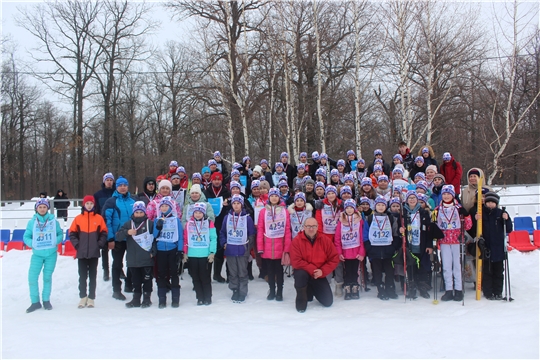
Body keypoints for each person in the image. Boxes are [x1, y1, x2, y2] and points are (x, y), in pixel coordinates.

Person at [290, 217, 339, 313]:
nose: (311, 229)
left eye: (313, 226)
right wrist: (312, 269)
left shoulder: (325, 240)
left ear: (317, 227)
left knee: (328, 302)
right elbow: (296, 261)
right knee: (300, 274)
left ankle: (311, 288)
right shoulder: (297, 241)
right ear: (304, 227)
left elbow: (334, 259)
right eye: (308, 226)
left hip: (319, 273)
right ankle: (301, 299)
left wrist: (322, 271)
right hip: (304, 272)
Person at [23, 198, 64, 313]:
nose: (42, 209)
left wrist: (56, 240)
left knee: (47, 278)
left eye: (44, 207)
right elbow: (26, 236)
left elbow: (60, 234)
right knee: (32, 277)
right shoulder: (32, 222)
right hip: (37, 254)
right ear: (36, 208)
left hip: (51, 254)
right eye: (40, 207)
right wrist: (32, 243)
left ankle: (46, 300)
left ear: (47, 208)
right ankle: (35, 302)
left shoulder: (53, 221)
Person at [102, 176, 138, 301]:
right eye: (120, 185)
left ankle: (129, 284)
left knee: (132, 262)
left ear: (128, 186)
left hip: (132, 237)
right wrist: (110, 238)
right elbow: (107, 221)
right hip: (118, 238)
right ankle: (116, 289)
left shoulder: (133, 200)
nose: (123, 187)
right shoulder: (111, 201)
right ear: (116, 187)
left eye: (125, 185)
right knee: (117, 264)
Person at [434, 185, 472, 302]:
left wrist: (466, 216)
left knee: (457, 266)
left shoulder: (458, 208)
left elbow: (468, 226)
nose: (446, 196)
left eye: (448, 194)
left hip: (457, 240)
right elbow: (434, 224)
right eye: (444, 194)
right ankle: (449, 290)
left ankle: (459, 289)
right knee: (446, 266)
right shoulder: (437, 209)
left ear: (453, 195)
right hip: (444, 241)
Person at [69, 195, 108, 308]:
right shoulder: (78, 219)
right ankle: (82, 297)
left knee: (93, 275)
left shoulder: (99, 218)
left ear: (94, 204)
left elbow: (104, 233)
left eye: (91, 203)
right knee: (82, 276)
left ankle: (91, 297)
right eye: (87, 204)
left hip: (94, 252)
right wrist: (77, 245)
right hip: (81, 253)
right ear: (84, 205)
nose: (89, 206)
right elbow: (72, 234)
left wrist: (99, 244)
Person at [116, 201, 156, 308]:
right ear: (133, 213)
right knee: (136, 281)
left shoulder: (149, 224)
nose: (138, 214)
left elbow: (156, 239)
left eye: (141, 212)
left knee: (147, 280)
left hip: (147, 258)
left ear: (144, 212)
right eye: (137, 212)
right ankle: (136, 299)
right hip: (133, 260)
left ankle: (147, 299)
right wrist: (126, 232)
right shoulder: (128, 224)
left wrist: (153, 252)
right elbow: (118, 237)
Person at [257, 188, 292, 301]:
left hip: (280, 246)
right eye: (272, 196)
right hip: (267, 247)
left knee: (279, 271)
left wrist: (287, 247)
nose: (274, 198)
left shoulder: (284, 211)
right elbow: (260, 229)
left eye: (276, 196)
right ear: (269, 197)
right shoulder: (263, 212)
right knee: (270, 271)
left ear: (279, 198)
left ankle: (280, 292)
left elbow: (287, 230)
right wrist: (260, 247)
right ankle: (272, 290)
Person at [221, 195, 256, 303]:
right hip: (230, 249)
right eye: (234, 203)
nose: (236, 205)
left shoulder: (247, 218)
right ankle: (234, 289)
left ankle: (242, 291)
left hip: (242, 250)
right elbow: (222, 232)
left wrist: (248, 247)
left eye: (238, 203)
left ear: (242, 204)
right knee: (233, 272)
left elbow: (252, 234)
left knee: (242, 272)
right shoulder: (227, 217)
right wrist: (224, 243)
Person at [477, 192, 512, 300]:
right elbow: (476, 229)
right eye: (488, 202)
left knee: (498, 271)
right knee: (487, 271)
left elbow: (509, 229)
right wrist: (476, 219)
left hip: (498, 248)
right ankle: (488, 292)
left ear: (496, 203)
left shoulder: (500, 213)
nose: (490, 204)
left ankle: (498, 291)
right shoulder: (482, 213)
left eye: (493, 202)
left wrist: (507, 219)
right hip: (487, 247)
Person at [364, 196, 401, 300]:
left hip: (387, 249)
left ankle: (390, 288)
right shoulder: (370, 218)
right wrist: (368, 247)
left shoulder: (391, 218)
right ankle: (380, 289)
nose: (380, 207)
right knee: (377, 271)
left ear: (386, 206)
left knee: (389, 270)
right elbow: (365, 234)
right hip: (374, 250)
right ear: (375, 206)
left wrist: (393, 246)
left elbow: (395, 233)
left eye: (383, 205)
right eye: (378, 205)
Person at [184, 202, 218, 305]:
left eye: (200, 212)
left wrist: (212, 252)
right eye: (196, 212)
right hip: (192, 254)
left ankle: (207, 297)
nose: (198, 214)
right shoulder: (188, 223)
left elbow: (213, 238)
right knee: (195, 278)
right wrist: (185, 253)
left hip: (205, 255)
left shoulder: (209, 223)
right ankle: (200, 297)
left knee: (205, 277)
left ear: (204, 213)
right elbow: (185, 239)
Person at [153, 196, 184, 308]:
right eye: (162, 206)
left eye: (166, 206)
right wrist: (158, 227)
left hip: (172, 249)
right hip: (161, 250)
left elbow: (180, 236)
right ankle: (162, 299)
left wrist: (180, 250)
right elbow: (154, 236)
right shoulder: (157, 219)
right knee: (161, 275)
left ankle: (175, 299)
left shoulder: (176, 220)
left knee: (174, 274)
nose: (164, 208)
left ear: (170, 207)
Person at [334, 199, 367, 300]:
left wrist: (362, 252)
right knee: (347, 271)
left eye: (351, 208)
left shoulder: (359, 220)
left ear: (354, 208)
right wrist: (339, 252)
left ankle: (355, 287)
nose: (349, 210)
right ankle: (348, 287)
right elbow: (337, 238)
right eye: (347, 208)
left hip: (356, 251)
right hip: (346, 252)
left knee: (355, 271)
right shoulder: (341, 220)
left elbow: (362, 237)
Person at [315, 185, 344, 296]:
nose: (331, 195)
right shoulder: (321, 206)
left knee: (337, 262)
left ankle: (339, 284)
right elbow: (319, 222)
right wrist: (321, 237)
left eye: (333, 193)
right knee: (326, 261)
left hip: (338, 237)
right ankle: (326, 284)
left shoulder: (341, 205)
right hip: (325, 237)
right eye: (329, 193)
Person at [204, 171, 231, 283]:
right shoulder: (206, 192)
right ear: (211, 180)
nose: (216, 181)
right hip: (209, 224)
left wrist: (227, 204)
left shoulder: (226, 191)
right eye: (214, 179)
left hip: (221, 223)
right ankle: (207, 275)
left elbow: (231, 205)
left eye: (218, 179)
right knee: (209, 250)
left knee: (219, 250)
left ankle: (217, 274)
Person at [93, 172, 116, 281]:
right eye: (107, 180)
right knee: (104, 249)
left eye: (111, 180)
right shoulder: (98, 195)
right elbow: (95, 209)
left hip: (114, 224)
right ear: (104, 181)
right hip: (102, 224)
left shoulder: (116, 193)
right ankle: (106, 271)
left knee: (117, 249)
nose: (109, 182)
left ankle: (118, 270)